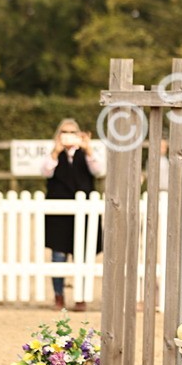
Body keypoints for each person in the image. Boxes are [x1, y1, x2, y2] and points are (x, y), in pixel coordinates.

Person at [43, 118, 104, 311]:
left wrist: (88, 149)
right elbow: (45, 171)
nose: (68, 136)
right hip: (59, 211)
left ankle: (81, 297)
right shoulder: (53, 153)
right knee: (58, 256)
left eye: (71, 132)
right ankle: (58, 296)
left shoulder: (85, 153)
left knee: (83, 256)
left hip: (83, 211)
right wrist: (56, 151)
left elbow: (99, 170)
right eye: (64, 132)